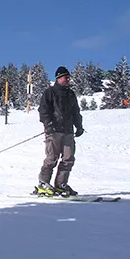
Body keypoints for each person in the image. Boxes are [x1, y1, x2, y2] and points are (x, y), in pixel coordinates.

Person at [35, 66, 84, 197]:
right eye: (65, 77)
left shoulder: (70, 94)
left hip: (68, 130)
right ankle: (43, 183)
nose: (67, 79)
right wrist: (48, 124)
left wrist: (79, 126)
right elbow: (43, 110)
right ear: (58, 78)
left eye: (68, 77)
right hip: (54, 130)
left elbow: (75, 112)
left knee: (68, 158)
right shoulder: (49, 92)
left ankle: (61, 184)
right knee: (52, 157)